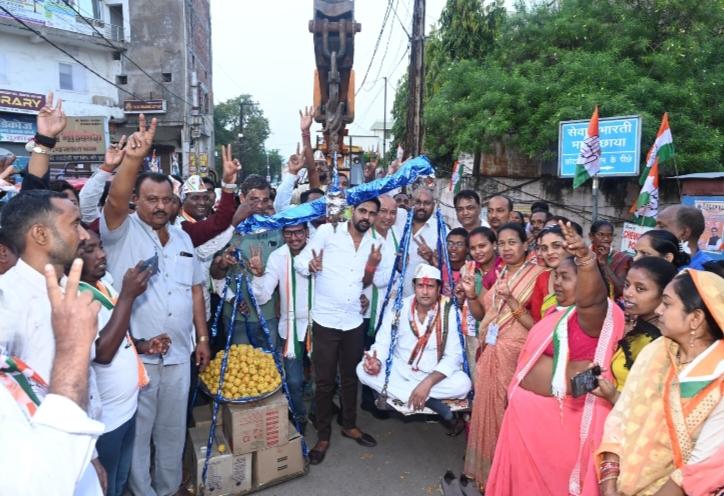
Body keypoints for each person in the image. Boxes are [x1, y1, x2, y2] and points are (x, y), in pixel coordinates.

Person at [99, 115, 211, 496]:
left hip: (179, 355)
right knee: (139, 433)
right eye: (151, 199)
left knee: (171, 430)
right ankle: (143, 491)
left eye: (166, 200)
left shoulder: (182, 238)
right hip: (136, 359)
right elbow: (114, 198)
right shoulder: (120, 232)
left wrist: (202, 337)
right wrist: (133, 159)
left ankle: (167, 488)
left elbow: (195, 289)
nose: (160, 206)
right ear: (136, 199)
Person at [485, 222, 626, 496]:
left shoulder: (592, 319)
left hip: (558, 431)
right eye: (557, 276)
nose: (558, 282)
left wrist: (586, 261)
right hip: (528, 424)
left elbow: (592, 301)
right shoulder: (560, 312)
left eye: (566, 277)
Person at [0, 190, 107, 492]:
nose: (85, 235)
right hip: (38, 466)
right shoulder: (8, 299)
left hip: (79, 443)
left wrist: (91, 455)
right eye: (74, 224)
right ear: (40, 235)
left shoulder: (69, 289)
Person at [596, 269, 723, 496]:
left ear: (695, 318)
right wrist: (609, 485)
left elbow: (699, 468)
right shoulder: (656, 351)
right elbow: (620, 419)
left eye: (667, 303)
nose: (658, 310)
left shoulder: (719, 378)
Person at [294, 198, 394, 465]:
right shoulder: (328, 232)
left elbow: (381, 280)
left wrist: (372, 266)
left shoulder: (379, 245)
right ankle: (323, 435)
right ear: (352, 211)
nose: (367, 217)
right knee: (324, 381)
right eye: (363, 211)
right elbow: (301, 262)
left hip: (353, 321)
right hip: (325, 321)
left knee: (351, 377)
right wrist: (311, 266)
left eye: (373, 214)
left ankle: (349, 425)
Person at [78, 229, 171, 496]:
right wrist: (128, 296)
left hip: (126, 409)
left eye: (101, 247)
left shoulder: (104, 283)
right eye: (90, 250)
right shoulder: (75, 296)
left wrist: (141, 345)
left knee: (118, 482)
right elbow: (102, 353)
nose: (101, 255)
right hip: (105, 419)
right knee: (105, 486)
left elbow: (117, 332)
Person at [462, 222, 546, 488]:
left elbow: (539, 327)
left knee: (508, 416)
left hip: (516, 356)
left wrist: (511, 300)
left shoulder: (540, 276)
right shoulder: (499, 275)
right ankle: (488, 476)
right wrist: (472, 295)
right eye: (502, 243)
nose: (507, 248)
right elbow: (482, 316)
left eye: (513, 242)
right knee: (485, 412)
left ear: (525, 245)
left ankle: (508, 479)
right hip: (491, 352)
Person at [357, 264, 471, 434]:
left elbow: (453, 356)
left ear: (439, 288)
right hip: (401, 369)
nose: (425, 292)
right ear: (414, 287)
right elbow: (383, 343)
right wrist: (376, 361)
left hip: (433, 375)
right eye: (420, 286)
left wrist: (428, 382)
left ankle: (410, 394)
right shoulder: (398, 308)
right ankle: (428, 399)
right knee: (361, 370)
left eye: (430, 286)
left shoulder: (450, 312)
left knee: (464, 384)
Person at [247, 223, 311, 432]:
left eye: (299, 232)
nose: (294, 238)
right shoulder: (277, 256)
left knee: (323, 380)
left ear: (307, 233)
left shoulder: (319, 251)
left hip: (319, 327)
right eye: (289, 233)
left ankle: (321, 417)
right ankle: (300, 417)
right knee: (293, 381)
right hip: (289, 329)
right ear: (282, 234)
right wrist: (257, 275)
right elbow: (264, 295)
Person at [591, 257, 677, 406]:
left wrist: (613, 396)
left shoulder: (657, 341)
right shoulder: (636, 327)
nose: (628, 293)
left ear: (663, 295)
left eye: (640, 289)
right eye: (627, 285)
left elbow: (648, 407)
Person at [212, 174, 283, 351]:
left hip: (268, 315)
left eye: (265, 200)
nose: (259, 205)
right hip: (236, 315)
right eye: (253, 199)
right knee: (240, 371)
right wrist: (223, 263)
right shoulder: (226, 228)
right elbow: (215, 274)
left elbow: (285, 271)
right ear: (242, 198)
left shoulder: (276, 229)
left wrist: (281, 302)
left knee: (269, 371)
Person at [360, 194, 400, 420]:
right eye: (383, 211)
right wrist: (395, 264)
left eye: (392, 212)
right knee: (371, 353)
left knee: (385, 353)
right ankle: (369, 401)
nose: (388, 217)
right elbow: (377, 280)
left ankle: (382, 396)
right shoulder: (367, 240)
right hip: (369, 310)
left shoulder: (394, 235)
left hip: (391, 307)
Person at [458, 227, 499, 378]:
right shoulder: (468, 269)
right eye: (473, 248)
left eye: (482, 246)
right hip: (474, 333)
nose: (478, 251)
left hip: (499, 335)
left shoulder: (503, 270)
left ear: (494, 245)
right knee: (477, 378)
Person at [405, 188, 439, 296]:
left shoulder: (441, 230)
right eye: (418, 202)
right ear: (410, 202)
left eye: (427, 203)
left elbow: (446, 268)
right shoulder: (398, 220)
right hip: (394, 297)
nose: (421, 207)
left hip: (424, 299)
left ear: (433, 205)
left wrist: (431, 259)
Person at [657, 205, 712, 269]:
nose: (654, 230)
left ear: (684, 233)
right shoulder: (655, 260)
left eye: (661, 226)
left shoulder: (708, 272)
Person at [529, 225, 567, 320]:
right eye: (544, 248)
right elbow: (537, 319)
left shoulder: (584, 275)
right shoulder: (543, 278)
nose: (549, 252)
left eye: (556, 246)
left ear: (569, 246)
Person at [589, 220, 632, 300]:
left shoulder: (622, 259)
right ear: (591, 236)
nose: (606, 239)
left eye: (610, 235)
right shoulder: (583, 256)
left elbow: (620, 290)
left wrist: (604, 264)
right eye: (601, 235)